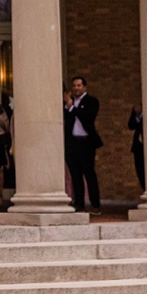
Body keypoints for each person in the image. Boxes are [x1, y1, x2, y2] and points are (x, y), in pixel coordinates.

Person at [63, 76, 103, 212]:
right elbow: (66, 119)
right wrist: (68, 106)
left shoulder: (92, 101)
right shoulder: (69, 102)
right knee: (75, 174)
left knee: (89, 173)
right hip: (72, 142)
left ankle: (95, 204)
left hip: (86, 142)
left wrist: (72, 108)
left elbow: (88, 117)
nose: (76, 88)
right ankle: (79, 203)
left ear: (84, 87)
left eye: (79, 85)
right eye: (74, 85)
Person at [128, 104, 146, 189]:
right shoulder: (137, 112)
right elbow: (131, 125)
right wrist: (138, 115)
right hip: (138, 146)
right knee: (140, 171)